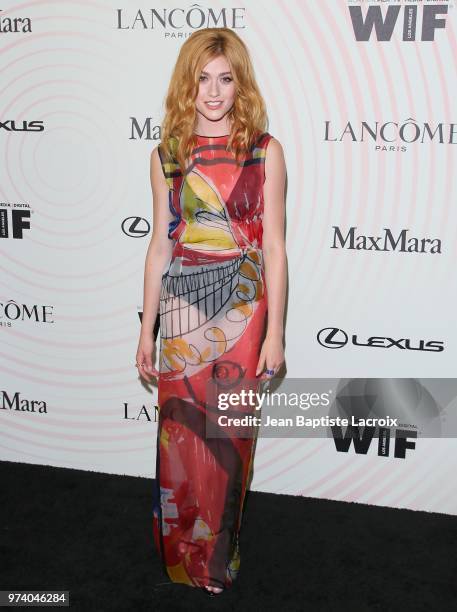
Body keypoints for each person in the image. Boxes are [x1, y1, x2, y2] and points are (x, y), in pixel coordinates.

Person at [136, 27, 287, 596]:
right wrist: (146, 331)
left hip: (246, 315)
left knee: (230, 437)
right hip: (179, 310)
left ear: (240, 82)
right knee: (179, 435)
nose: (214, 91)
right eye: (202, 78)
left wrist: (276, 334)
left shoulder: (264, 150)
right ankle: (181, 552)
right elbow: (159, 245)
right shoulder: (167, 154)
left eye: (225, 78)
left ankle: (216, 554)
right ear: (187, 83)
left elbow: (274, 247)